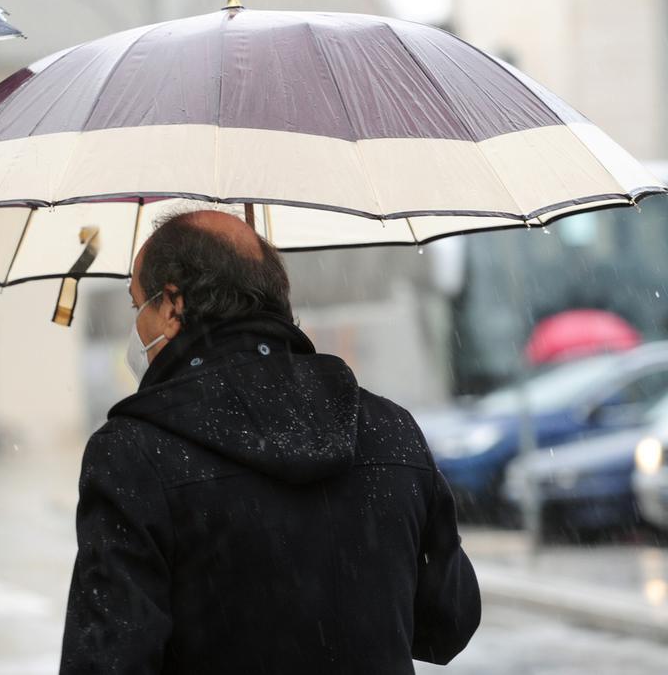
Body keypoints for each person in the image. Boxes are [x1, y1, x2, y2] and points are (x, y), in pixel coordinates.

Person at [60, 210, 480, 674]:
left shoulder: (134, 456)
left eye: (138, 304)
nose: (136, 326)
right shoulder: (390, 429)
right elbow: (448, 623)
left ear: (174, 305)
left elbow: (107, 662)